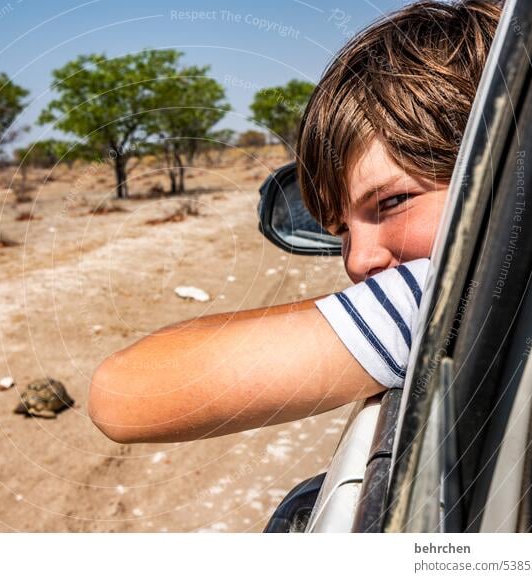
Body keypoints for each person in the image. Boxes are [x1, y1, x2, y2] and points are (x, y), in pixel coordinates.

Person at [88, 0, 502, 443]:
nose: (358, 261)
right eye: (341, 231)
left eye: (394, 201)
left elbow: (122, 394)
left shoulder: (457, 297)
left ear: (506, 165)